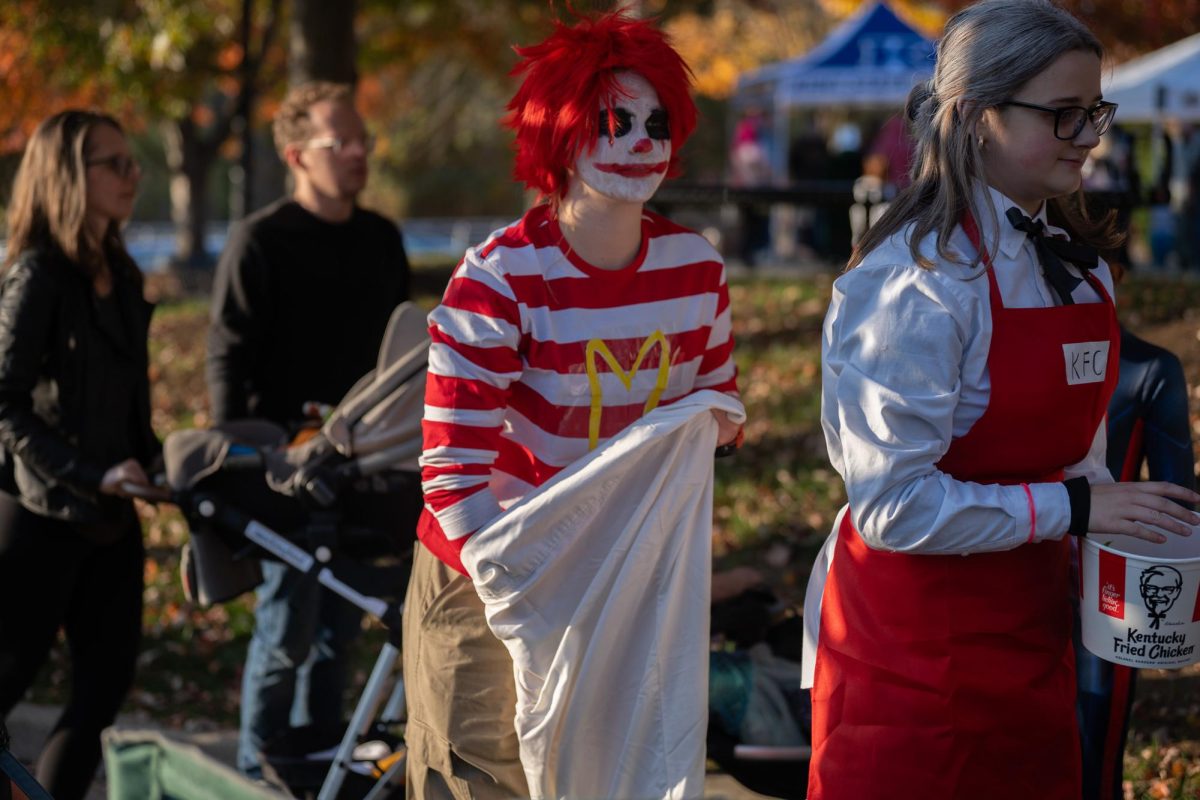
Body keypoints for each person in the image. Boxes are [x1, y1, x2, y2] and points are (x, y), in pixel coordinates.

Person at [800, 2, 1200, 798]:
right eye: (1063, 116)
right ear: (979, 118)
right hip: (905, 656)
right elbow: (893, 505)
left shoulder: (1079, 268)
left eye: (1094, 112)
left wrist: (1128, 558)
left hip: (1032, 647)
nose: (1090, 137)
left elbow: (1075, 465)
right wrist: (1079, 511)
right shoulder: (916, 281)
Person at [404, 11, 741, 798]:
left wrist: (716, 428)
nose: (640, 141)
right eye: (613, 120)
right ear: (559, 130)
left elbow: (713, 415)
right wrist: (532, 594)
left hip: (620, 575)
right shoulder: (496, 279)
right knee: (481, 782)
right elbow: (452, 477)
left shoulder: (696, 270)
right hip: (485, 573)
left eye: (657, 121)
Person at [205, 81, 411, 779]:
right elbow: (226, 358)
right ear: (296, 154)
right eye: (340, 143)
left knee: (340, 634)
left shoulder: (382, 240)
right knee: (285, 628)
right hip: (284, 471)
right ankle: (252, 779)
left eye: (363, 141)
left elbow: (401, 357)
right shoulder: (258, 241)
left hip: (363, 463)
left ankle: (320, 776)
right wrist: (235, 463)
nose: (358, 154)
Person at [0, 110, 158, 799]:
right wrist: (93, 472)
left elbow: (130, 400)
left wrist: (154, 462)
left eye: (131, 162)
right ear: (69, 174)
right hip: (38, 515)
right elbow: (4, 404)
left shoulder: (120, 272)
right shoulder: (38, 275)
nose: (132, 175)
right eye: (114, 163)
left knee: (102, 692)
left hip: (113, 518)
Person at [1075, 325, 1196, 800]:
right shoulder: (1147, 367)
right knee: (1091, 754)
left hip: (995, 567)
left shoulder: (980, 342)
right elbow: (1179, 513)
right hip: (1108, 593)